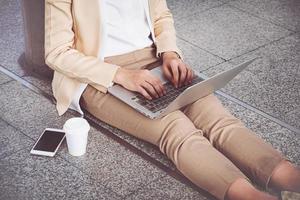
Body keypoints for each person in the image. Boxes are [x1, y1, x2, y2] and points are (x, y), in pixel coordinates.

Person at [44, 0, 300, 199]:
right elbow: (57, 53)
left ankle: (288, 177)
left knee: (219, 120)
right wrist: (120, 75)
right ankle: (249, 197)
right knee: (176, 130)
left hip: (154, 60)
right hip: (99, 75)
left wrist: (170, 54)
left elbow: (160, 17)